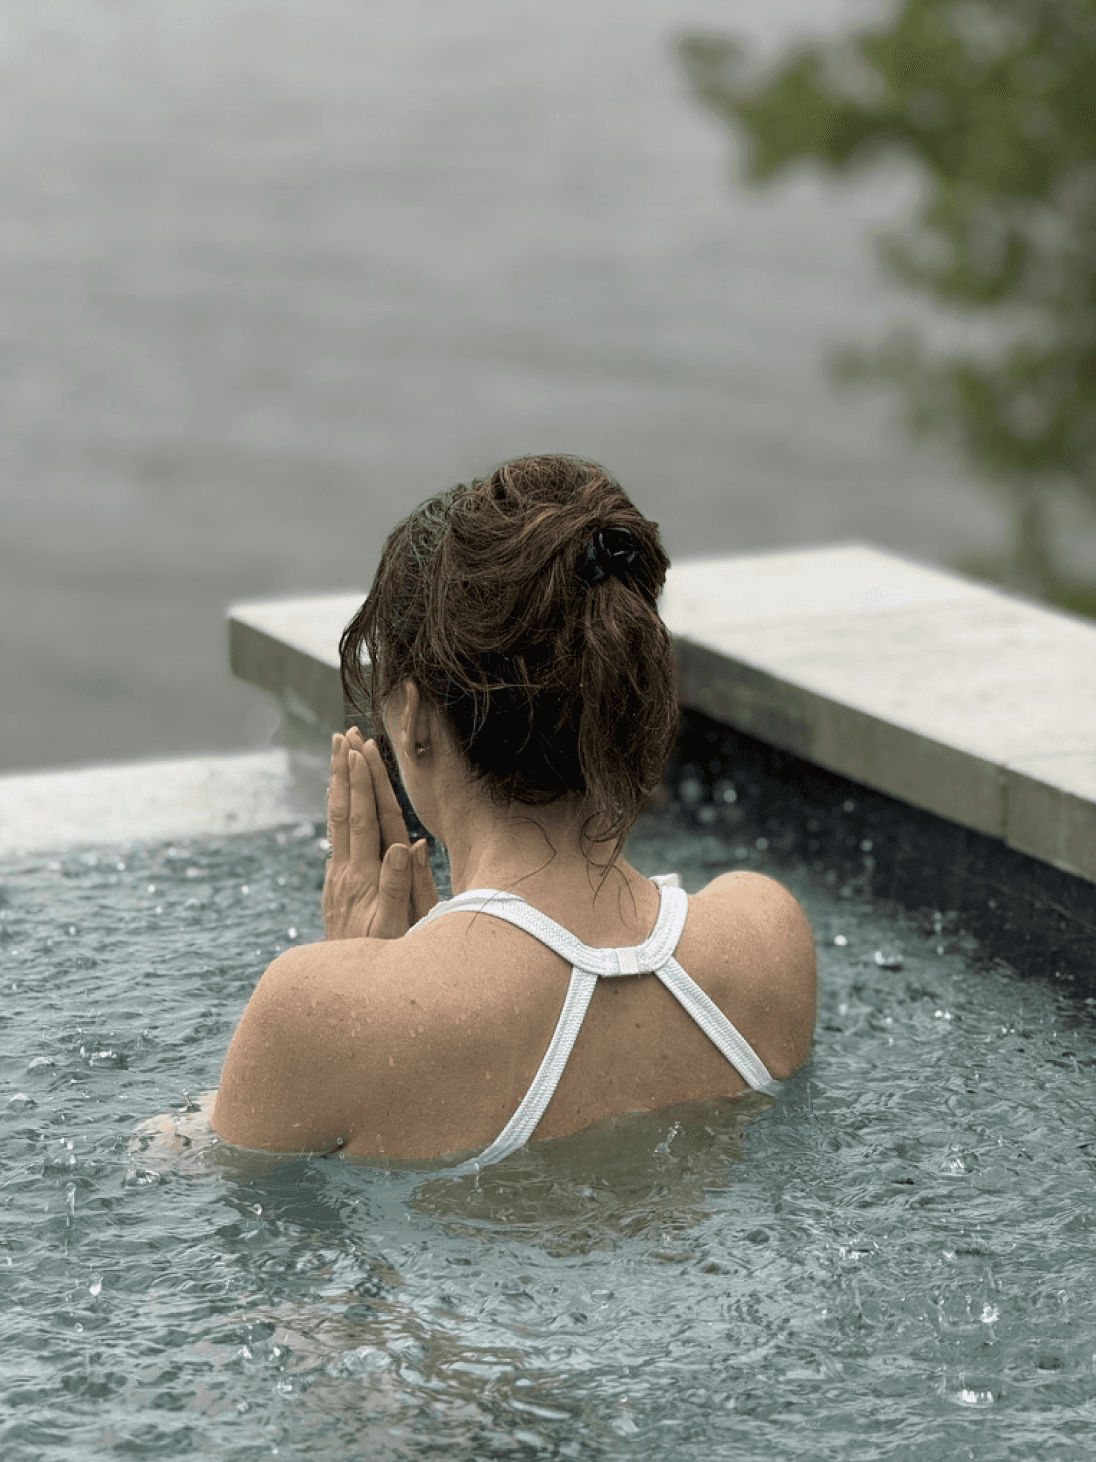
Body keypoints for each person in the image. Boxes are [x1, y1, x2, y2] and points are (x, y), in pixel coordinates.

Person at [212, 455, 816, 1169]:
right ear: (624, 691)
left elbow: (184, 1184)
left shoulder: (321, 1015)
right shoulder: (766, 940)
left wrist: (358, 973)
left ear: (413, 721)